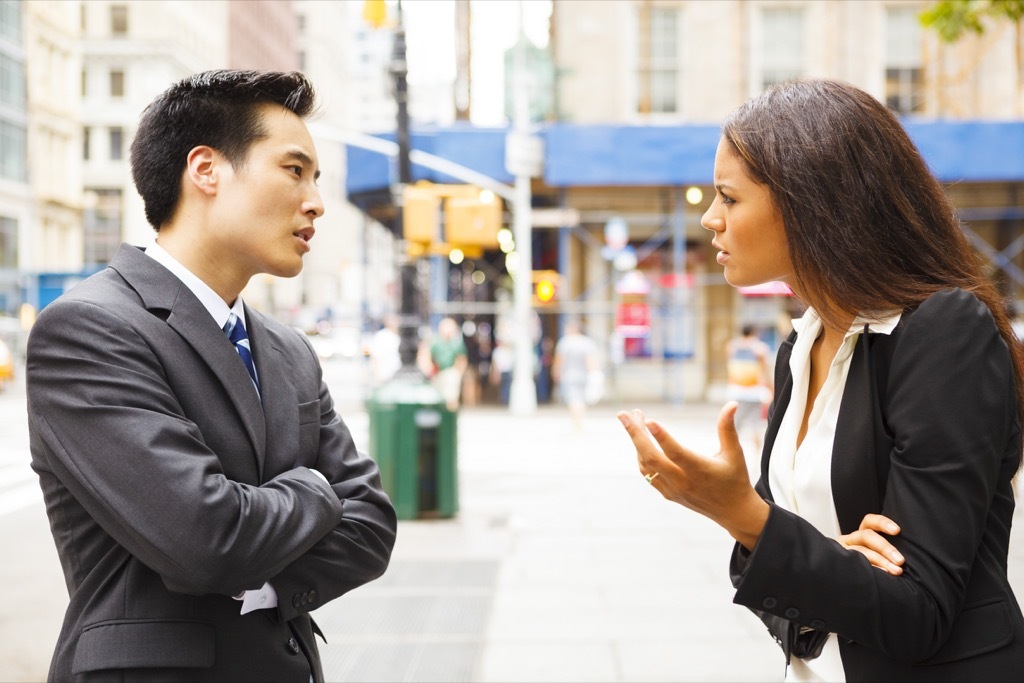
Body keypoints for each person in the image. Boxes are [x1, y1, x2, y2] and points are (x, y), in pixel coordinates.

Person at [618, 78, 1024, 680]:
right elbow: (774, 572)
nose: (709, 218)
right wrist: (820, 560)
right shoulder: (798, 347)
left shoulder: (941, 331)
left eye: (729, 198)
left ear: (809, 203)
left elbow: (919, 613)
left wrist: (744, 517)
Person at [26, 70, 397, 682]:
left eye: (316, 179)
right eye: (293, 170)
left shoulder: (287, 349)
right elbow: (205, 539)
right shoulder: (89, 329)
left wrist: (265, 576)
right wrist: (315, 489)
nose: (316, 203)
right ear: (206, 170)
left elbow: (371, 527)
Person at [725, 324, 772, 455]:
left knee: (734, 424)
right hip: (754, 392)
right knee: (755, 424)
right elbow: (765, 370)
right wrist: (770, 387)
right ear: (754, 333)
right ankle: (759, 455)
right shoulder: (760, 348)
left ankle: (730, 452)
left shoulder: (732, 346)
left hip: (735, 391)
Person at [552, 319, 599, 430]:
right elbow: (591, 361)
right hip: (584, 375)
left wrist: (556, 371)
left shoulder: (565, 342)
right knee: (581, 399)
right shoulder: (587, 342)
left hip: (569, 375)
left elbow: (560, 360)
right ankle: (579, 421)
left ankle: (576, 422)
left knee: (574, 399)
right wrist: (594, 373)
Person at [428, 317, 468, 411]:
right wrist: (431, 370)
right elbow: (428, 356)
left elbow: (462, 359)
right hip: (437, 373)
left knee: (451, 398)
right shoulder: (435, 342)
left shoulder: (456, 343)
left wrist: (458, 373)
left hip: (451, 371)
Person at [369, 314, 402, 387]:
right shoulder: (382, 336)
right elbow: (375, 356)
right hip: (384, 377)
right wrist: (377, 375)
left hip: (397, 377)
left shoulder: (399, 336)